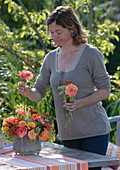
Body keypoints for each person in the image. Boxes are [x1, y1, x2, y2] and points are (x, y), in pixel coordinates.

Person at [18, 6, 111, 170]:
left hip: (94, 131)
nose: (54, 36)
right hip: (67, 133)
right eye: (51, 32)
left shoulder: (91, 54)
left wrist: (80, 103)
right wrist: (28, 92)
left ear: (72, 28)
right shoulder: (51, 58)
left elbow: (105, 90)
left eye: (58, 32)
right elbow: (38, 92)